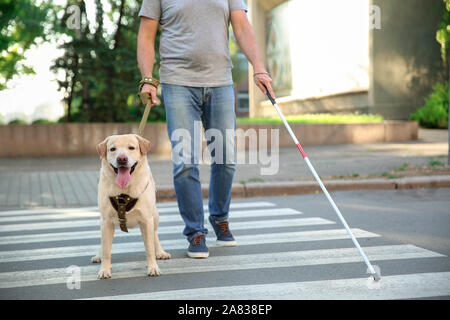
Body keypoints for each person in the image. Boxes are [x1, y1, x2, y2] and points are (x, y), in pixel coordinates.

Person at [137, 0, 275, 258]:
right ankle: (195, 231)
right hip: (177, 82)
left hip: (220, 82)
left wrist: (259, 68)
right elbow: (146, 35)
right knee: (185, 161)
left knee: (226, 159)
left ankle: (220, 217)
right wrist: (148, 79)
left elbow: (242, 27)